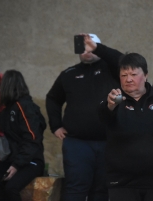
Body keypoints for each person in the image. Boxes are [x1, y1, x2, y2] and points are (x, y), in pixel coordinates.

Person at [88, 35, 153, 201]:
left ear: (145, 75)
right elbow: (103, 117)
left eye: (133, 74)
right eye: (124, 75)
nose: (128, 79)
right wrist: (110, 106)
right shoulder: (113, 100)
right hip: (122, 183)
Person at [46, 34, 119, 201]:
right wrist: (56, 125)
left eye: (91, 47)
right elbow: (53, 99)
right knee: (74, 187)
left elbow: (122, 59)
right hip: (77, 143)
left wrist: (98, 48)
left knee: (102, 189)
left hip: (107, 141)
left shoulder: (113, 69)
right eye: (83, 47)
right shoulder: (68, 74)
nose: (87, 51)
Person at [0, 70, 46, 201]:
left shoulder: (24, 106)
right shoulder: (6, 110)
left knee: (11, 188)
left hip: (32, 160)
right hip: (13, 158)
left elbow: (32, 137)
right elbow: (8, 138)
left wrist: (16, 165)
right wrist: (1, 156)